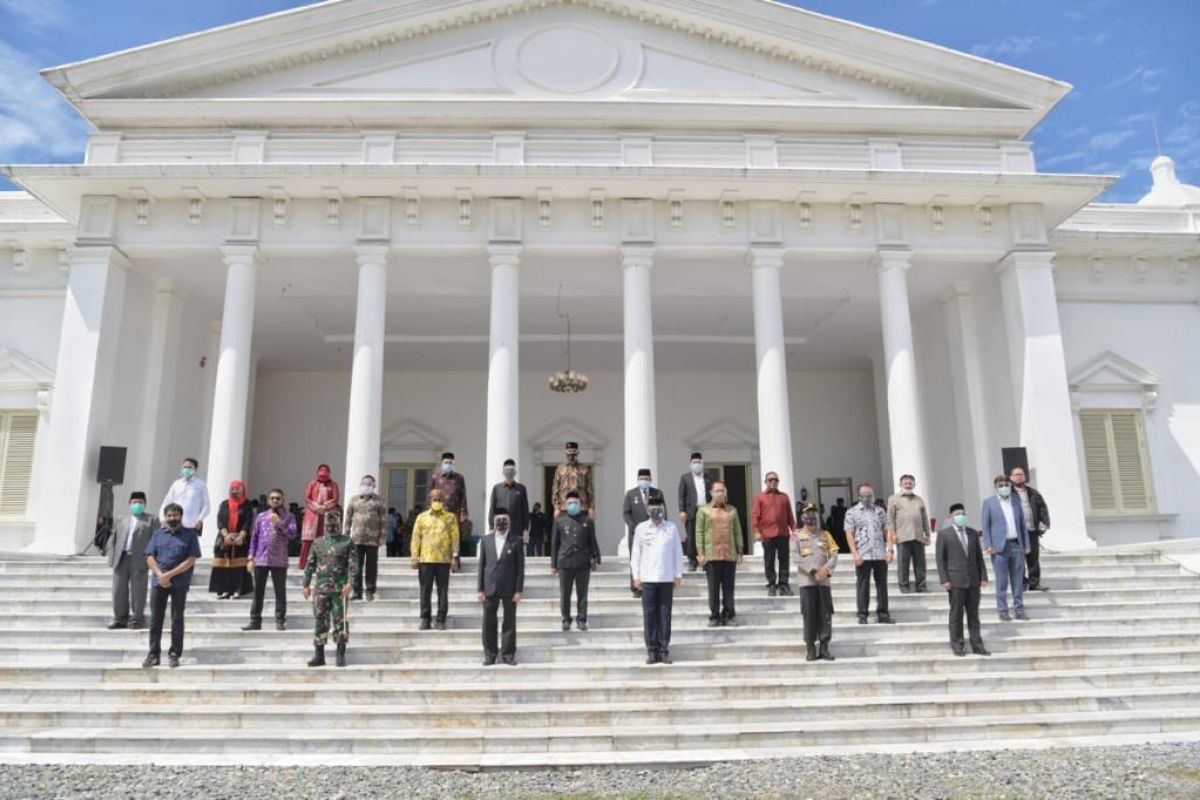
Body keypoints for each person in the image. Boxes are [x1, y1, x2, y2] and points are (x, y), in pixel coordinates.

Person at [142, 503, 202, 668]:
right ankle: (153, 654)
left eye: (175, 515)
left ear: (181, 516)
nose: (172, 518)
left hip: (179, 582)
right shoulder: (158, 534)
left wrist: (170, 575)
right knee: (156, 619)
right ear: (165, 517)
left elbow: (191, 560)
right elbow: (149, 556)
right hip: (158, 581)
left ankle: (174, 653)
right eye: (169, 516)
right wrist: (160, 575)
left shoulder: (190, 535)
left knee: (177, 618)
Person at [630, 496, 683, 665]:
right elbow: (636, 554)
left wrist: (678, 574)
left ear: (663, 509)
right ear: (647, 510)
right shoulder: (641, 528)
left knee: (665, 615)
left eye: (659, 507)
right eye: (652, 507)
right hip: (648, 579)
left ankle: (664, 649)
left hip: (667, 577)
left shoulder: (671, 528)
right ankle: (652, 650)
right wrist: (636, 576)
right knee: (649, 615)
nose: (656, 510)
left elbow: (677, 552)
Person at [302, 508, 356, 668]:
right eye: (329, 518)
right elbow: (310, 564)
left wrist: (350, 583)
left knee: (340, 622)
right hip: (321, 590)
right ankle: (319, 655)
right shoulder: (318, 542)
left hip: (340, 590)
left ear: (339, 521)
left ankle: (340, 654)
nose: (331, 522)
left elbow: (353, 565)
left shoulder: (347, 542)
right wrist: (305, 584)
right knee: (320, 621)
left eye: (335, 518)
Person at [936, 502, 991, 657]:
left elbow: (979, 557)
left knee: (973, 614)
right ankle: (957, 644)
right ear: (951, 517)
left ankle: (977, 644)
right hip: (955, 580)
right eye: (957, 514)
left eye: (962, 514)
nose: (960, 516)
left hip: (973, 580)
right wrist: (944, 579)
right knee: (956, 615)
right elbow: (941, 559)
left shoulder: (972, 533)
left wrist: (983, 576)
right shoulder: (944, 534)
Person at [477, 507, 525, 666]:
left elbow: (520, 568)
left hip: (510, 588)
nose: (501, 522)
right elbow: (481, 566)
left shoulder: (516, 541)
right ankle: (490, 654)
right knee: (489, 622)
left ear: (509, 521)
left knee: (509, 622)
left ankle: (508, 654)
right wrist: (480, 589)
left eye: (505, 520)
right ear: (493, 521)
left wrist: (519, 590)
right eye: (499, 520)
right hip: (489, 586)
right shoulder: (485, 540)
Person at [244, 488, 297, 631]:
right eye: (272, 498)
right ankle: (255, 620)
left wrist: (279, 523)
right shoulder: (261, 517)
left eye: (278, 498)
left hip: (279, 560)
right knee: (258, 592)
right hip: (261, 559)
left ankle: (280, 620)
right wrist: (251, 557)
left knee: (280, 592)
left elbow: (292, 535)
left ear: (283, 500)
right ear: (268, 500)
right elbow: (254, 537)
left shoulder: (289, 516)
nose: (275, 500)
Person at [981, 474, 1031, 622]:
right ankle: (1002, 610)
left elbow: (1022, 524)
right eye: (1000, 485)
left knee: (1017, 579)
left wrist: (1026, 544)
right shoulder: (989, 503)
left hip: (1016, 545)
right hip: (999, 547)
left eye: (1006, 485)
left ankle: (1019, 609)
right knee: (1001, 580)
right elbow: (986, 526)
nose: (1004, 488)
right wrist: (988, 545)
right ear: (996, 487)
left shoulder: (1016, 501)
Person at [845, 482, 895, 625]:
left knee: (882, 585)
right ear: (859, 496)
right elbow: (849, 533)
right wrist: (854, 553)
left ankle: (883, 614)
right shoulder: (852, 512)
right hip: (863, 554)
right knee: (862, 584)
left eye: (870, 494)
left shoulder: (880, 511)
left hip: (879, 553)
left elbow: (888, 531)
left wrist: (890, 549)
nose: (867, 497)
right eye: (864, 495)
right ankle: (862, 614)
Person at [550, 490, 601, 631]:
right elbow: (554, 543)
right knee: (565, 593)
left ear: (580, 504)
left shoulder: (587, 521)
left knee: (582, 593)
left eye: (575, 503)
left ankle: (581, 619)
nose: (573, 505)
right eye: (570, 503)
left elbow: (592, 541)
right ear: (565, 505)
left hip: (583, 562)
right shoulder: (559, 521)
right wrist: (553, 564)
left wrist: (595, 558)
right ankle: (565, 619)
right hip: (565, 562)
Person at [411, 487, 460, 630]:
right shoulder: (422, 517)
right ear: (429, 500)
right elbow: (416, 538)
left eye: (439, 499)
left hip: (444, 560)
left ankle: (441, 619)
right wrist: (414, 557)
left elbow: (455, 538)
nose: (437, 501)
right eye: (434, 499)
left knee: (443, 591)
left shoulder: (450, 517)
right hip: (426, 559)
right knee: (425, 590)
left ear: (443, 501)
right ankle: (425, 618)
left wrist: (455, 556)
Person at [794, 502, 838, 662]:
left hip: (823, 582)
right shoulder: (797, 536)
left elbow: (834, 554)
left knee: (825, 615)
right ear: (802, 518)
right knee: (809, 615)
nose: (811, 519)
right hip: (807, 582)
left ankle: (825, 647)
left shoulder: (826, 535)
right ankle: (811, 648)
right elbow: (796, 557)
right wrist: (813, 570)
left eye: (814, 515)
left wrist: (825, 570)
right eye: (807, 516)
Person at [696, 481, 744, 627]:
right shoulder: (703, 511)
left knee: (729, 588)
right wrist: (701, 553)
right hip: (711, 555)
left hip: (729, 554)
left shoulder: (732, 510)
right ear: (711, 493)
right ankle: (714, 615)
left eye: (722, 491)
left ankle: (729, 615)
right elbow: (699, 532)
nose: (720, 493)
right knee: (713, 588)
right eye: (717, 491)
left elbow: (737, 531)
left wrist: (740, 551)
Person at [108, 491, 155, 630]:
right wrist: (111, 557)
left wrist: (151, 558)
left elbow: (155, 540)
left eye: (140, 502)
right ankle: (120, 618)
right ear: (129, 504)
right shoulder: (122, 519)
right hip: (121, 558)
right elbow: (113, 540)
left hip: (139, 558)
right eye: (134, 502)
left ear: (145, 504)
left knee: (138, 590)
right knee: (118, 590)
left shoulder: (152, 520)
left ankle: (137, 619)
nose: (137, 505)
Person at [751, 471, 795, 597]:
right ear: (765, 482)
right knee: (769, 560)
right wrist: (756, 531)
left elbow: (790, 515)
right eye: (770, 480)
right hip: (767, 534)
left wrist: (794, 529)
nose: (773, 482)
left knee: (784, 560)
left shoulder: (784, 497)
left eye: (775, 480)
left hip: (782, 533)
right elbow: (755, 516)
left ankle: (783, 584)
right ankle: (771, 584)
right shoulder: (760, 497)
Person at [623, 468, 666, 598]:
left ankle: (650, 585)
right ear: (637, 479)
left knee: (653, 558)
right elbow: (626, 513)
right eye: (641, 478)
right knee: (636, 560)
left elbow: (663, 512)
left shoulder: (658, 493)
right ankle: (636, 587)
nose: (644, 481)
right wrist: (635, 528)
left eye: (646, 479)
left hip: (655, 533)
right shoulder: (631, 494)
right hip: (635, 533)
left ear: (651, 480)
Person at [209, 479, 254, 599]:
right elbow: (220, 521)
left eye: (238, 489)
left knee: (238, 566)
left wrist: (240, 536)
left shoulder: (247, 504)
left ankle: (237, 590)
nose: (235, 491)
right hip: (224, 539)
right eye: (233, 489)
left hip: (241, 539)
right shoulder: (224, 504)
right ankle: (224, 590)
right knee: (224, 565)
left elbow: (248, 521)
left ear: (243, 490)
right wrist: (225, 535)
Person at [345, 474, 387, 601]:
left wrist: (382, 537)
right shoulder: (354, 500)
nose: (366, 486)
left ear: (373, 486)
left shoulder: (379, 501)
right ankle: (357, 592)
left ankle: (370, 591)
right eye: (364, 484)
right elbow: (348, 518)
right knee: (356, 566)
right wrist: (346, 535)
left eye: (369, 484)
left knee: (371, 566)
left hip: (372, 539)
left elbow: (383, 520)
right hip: (356, 538)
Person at [887, 474, 931, 594]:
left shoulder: (919, 500)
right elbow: (890, 519)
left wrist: (927, 534)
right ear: (900, 484)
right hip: (902, 536)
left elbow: (924, 518)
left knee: (920, 563)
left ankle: (921, 586)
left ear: (914, 484)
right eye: (905, 483)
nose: (908, 485)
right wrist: (893, 534)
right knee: (903, 563)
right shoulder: (893, 499)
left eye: (910, 483)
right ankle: (904, 586)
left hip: (918, 535)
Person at [1009, 466, 1051, 591]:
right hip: (1017, 533)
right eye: (1016, 474)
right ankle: (1021, 583)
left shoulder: (1033, 493)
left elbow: (1042, 508)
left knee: (1033, 558)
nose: (1019, 476)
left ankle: (1034, 583)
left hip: (1031, 530)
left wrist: (1045, 522)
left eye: (1021, 474)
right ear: (1011, 478)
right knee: (1018, 559)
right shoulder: (1009, 494)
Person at [676, 452, 712, 573]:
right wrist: (682, 511)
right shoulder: (685, 478)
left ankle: (706, 561)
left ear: (702, 463)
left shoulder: (709, 477)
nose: (697, 464)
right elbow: (681, 495)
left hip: (706, 510)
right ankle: (693, 562)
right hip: (691, 511)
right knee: (691, 537)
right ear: (690, 464)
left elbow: (713, 493)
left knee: (706, 536)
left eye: (699, 462)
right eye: (694, 462)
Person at [300, 464, 340, 570]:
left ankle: (324, 565)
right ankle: (305, 565)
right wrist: (316, 507)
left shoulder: (333, 485)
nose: (323, 475)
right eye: (321, 472)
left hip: (327, 515)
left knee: (326, 540)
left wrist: (325, 506)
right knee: (308, 540)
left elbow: (335, 499)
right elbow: (307, 498)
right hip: (312, 515)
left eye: (325, 472)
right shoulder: (312, 484)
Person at [159, 457, 210, 536]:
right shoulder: (176, 484)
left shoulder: (200, 484)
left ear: (195, 469)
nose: (187, 469)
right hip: (174, 523)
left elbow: (207, 505)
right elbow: (166, 502)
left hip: (191, 524)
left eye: (190, 467)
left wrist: (200, 519)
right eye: (185, 467)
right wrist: (162, 518)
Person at [488, 459, 531, 552]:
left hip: (517, 530)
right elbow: (492, 508)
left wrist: (525, 529)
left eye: (511, 470)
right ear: (503, 471)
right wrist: (491, 527)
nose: (509, 472)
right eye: (507, 470)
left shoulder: (521, 488)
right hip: (500, 529)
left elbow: (525, 510)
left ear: (515, 471)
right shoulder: (497, 488)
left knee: (516, 556)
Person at [551, 441, 594, 518]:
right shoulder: (560, 469)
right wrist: (556, 507)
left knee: (581, 529)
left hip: (581, 506)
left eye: (574, 454)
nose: (571, 456)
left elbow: (589, 490)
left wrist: (591, 507)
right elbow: (555, 489)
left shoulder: (584, 469)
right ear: (566, 454)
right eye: (569, 454)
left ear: (577, 453)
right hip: (564, 506)